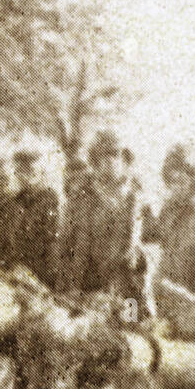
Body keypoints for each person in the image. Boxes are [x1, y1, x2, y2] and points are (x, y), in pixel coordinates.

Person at [58, 132, 148, 310]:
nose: (110, 161)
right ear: (95, 160)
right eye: (103, 155)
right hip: (85, 286)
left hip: (125, 288)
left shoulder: (135, 199)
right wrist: (66, 287)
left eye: (115, 154)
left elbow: (144, 247)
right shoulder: (80, 197)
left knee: (130, 329)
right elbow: (65, 244)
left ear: (124, 160)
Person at [142, 145, 195, 295]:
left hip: (194, 294)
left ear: (193, 183)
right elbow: (155, 234)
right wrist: (144, 210)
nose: (175, 188)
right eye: (171, 182)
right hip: (168, 289)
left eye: (180, 181)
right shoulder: (168, 210)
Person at [8, 148, 62, 288]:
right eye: (20, 171)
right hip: (19, 274)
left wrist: (51, 281)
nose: (24, 176)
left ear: (41, 173)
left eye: (30, 171)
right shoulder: (16, 202)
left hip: (42, 277)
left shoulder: (49, 201)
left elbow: (52, 243)